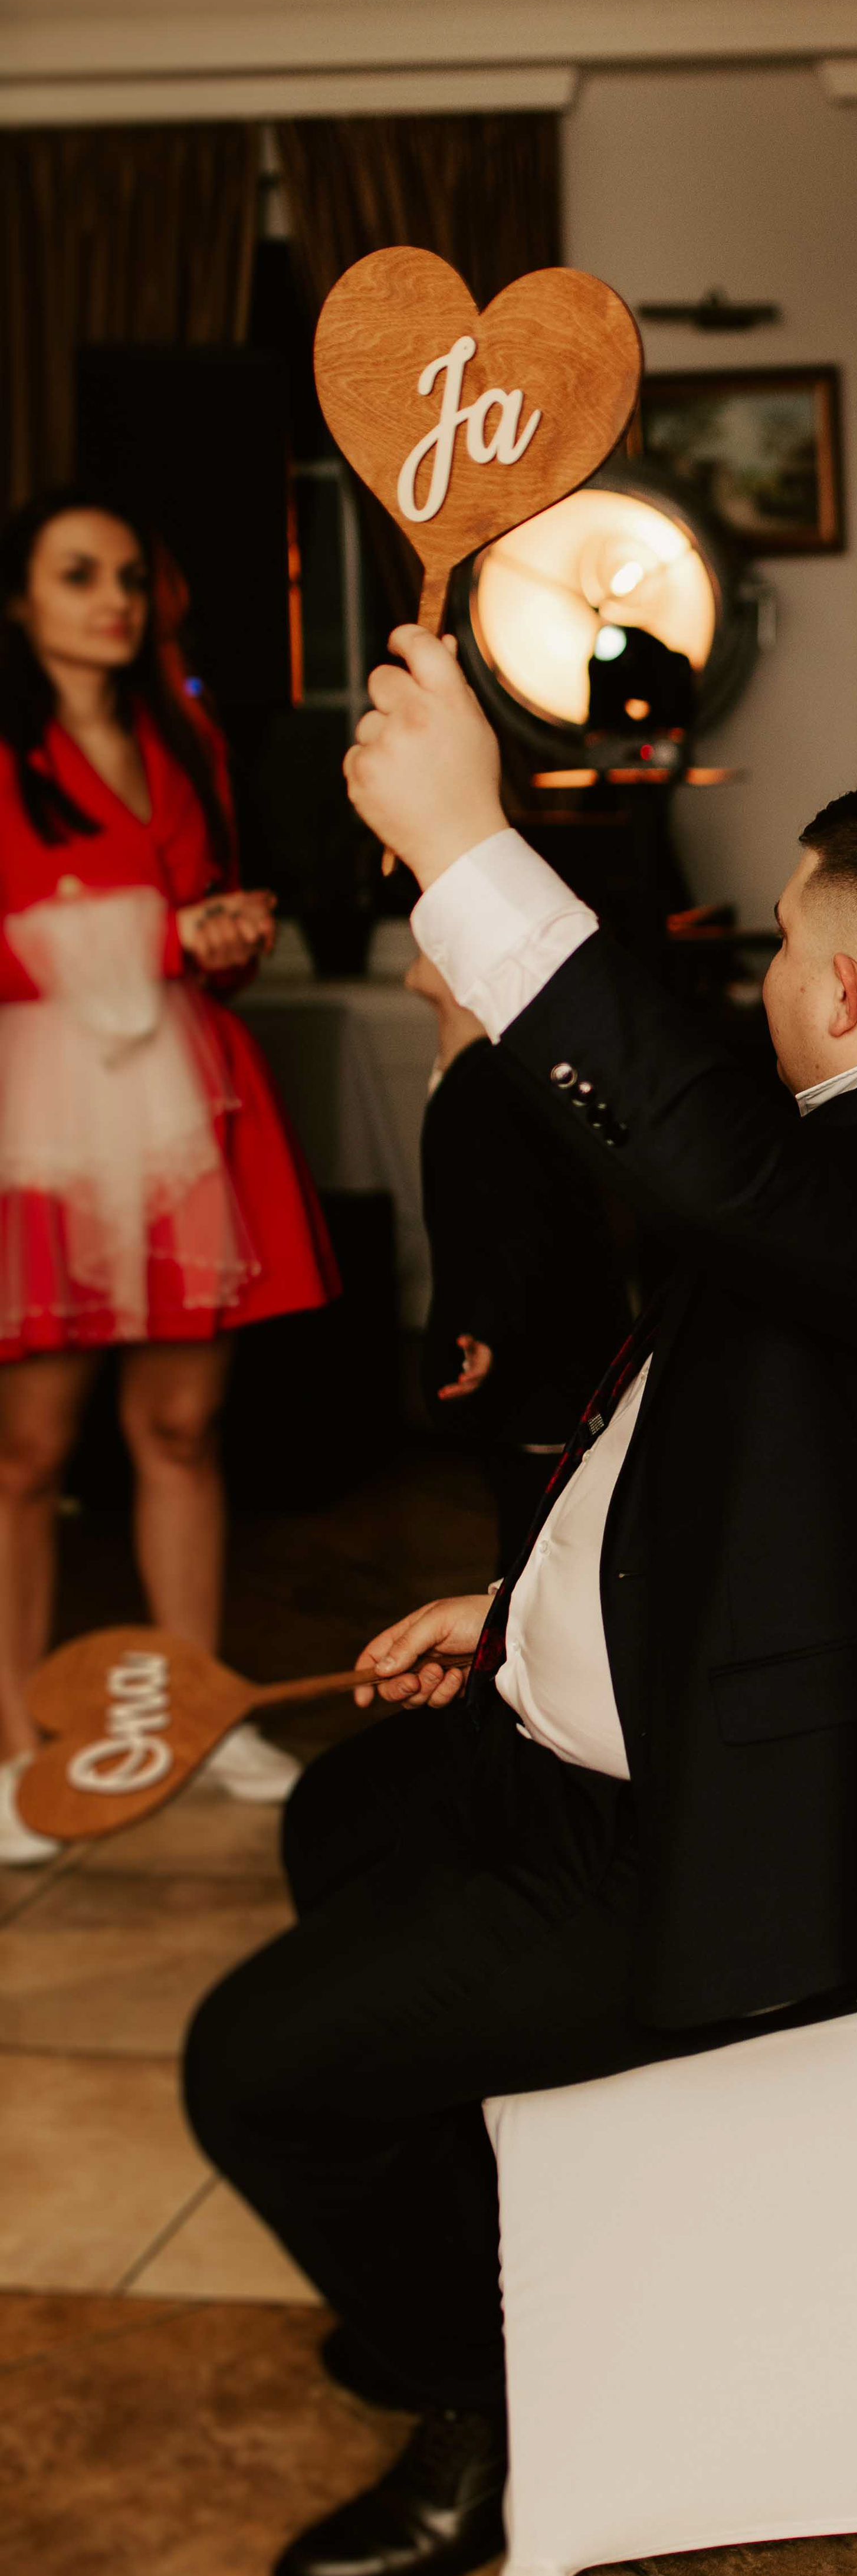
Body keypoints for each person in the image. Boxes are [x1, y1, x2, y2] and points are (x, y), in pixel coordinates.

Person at [183, 629, 857, 2576]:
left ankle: (493, 2392)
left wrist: (469, 845)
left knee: (249, 2067)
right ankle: (487, 2262)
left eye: (784, 947)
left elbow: (715, 1169)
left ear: (845, 988)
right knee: (347, 1820)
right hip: (686, 1738)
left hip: (771, 1838)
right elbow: (738, 1440)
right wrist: (516, 1614)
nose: (764, 980)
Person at [0, 491, 336, 1866]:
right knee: (27, 1451)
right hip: (40, 1114)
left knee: (186, 1425)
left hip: (183, 1101)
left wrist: (226, 937)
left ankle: (195, 1708)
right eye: (80, 574)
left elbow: (201, 937)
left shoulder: (179, 735)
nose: (115, 600)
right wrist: (159, 938)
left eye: (131, 576)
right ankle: (12, 1746)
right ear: (18, 600)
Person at [408, 948, 634, 1572]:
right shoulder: (481, 1071)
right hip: (534, 1357)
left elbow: (527, 1220)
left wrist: (487, 1325)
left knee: (540, 1543)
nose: (423, 936)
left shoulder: (494, 1081)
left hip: (542, 1362)